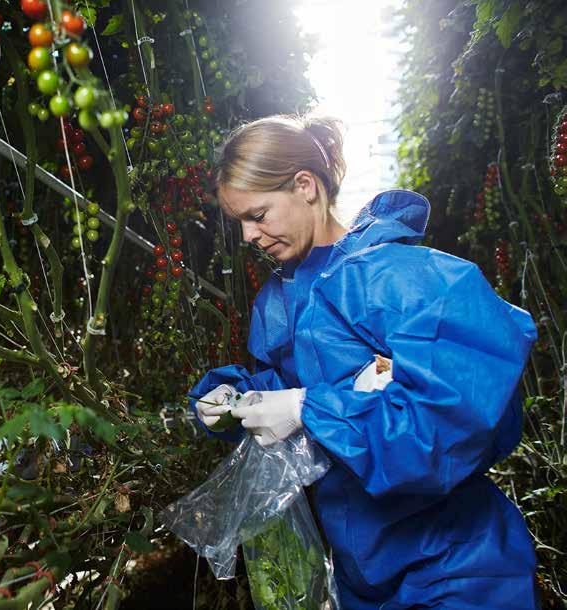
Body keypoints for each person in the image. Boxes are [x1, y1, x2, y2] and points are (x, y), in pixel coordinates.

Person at [187, 113, 541, 609]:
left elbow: (451, 419)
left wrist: (309, 408)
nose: (248, 237)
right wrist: (231, 398)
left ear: (305, 186)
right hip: (359, 577)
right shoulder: (281, 300)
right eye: (240, 222)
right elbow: (282, 387)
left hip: (453, 569)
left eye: (258, 215)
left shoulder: (398, 278)